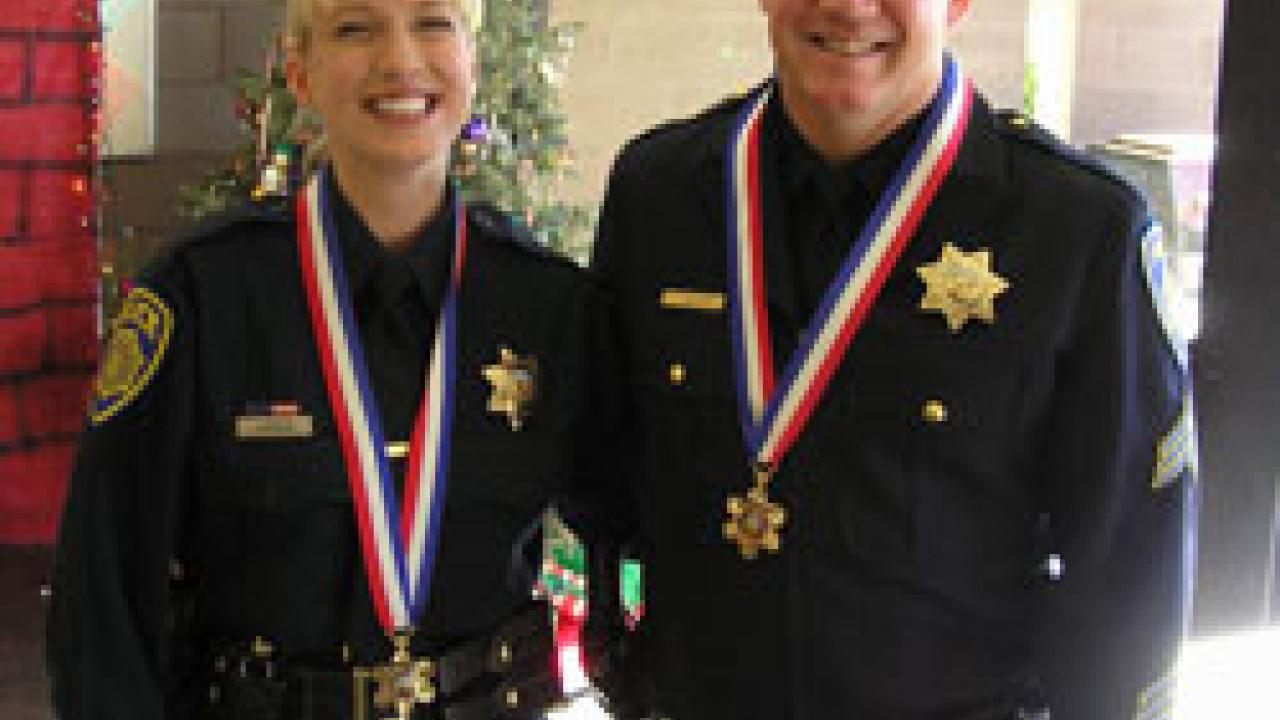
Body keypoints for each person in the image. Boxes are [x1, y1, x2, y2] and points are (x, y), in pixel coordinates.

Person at [592, 1, 1195, 719]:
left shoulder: (1077, 232)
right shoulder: (658, 195)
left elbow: (1128, 577)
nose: (848, 8)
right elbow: (606, 481)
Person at [47, 1, 614, 718]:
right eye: (355, 27)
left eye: (433, 23)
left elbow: (638, 518)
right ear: (299, 73)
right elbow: (104, 595)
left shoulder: (548, 305)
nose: (400, 59)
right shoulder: (202, 296)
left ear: (473, 61)